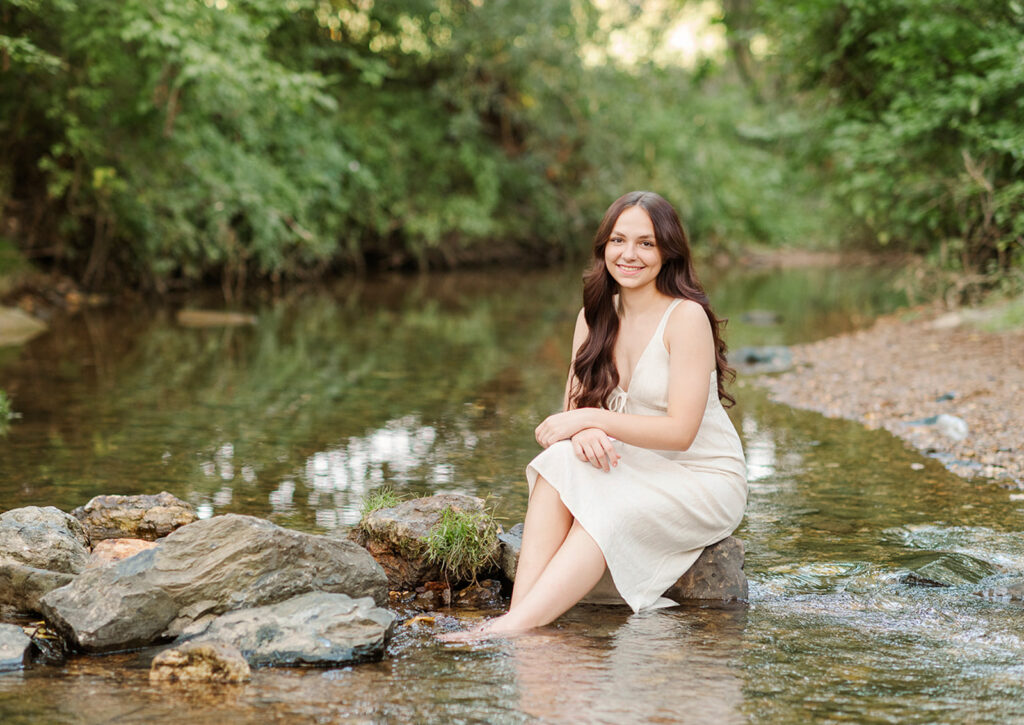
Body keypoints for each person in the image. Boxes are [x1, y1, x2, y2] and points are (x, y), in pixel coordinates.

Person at [442, 191, 746, 641]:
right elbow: (575, 412)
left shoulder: (686, 318)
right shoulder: (594, 316)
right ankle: (520, 611)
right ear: (603, 246)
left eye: (646, 243)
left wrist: (593, 422)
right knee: (559, 462)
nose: (629, 254)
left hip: (702, 476)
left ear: (668, 251)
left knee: (604, 509)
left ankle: (515, 627)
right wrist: (582, 428)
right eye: (618, 240)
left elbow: (681, 433)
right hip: (631, 462)